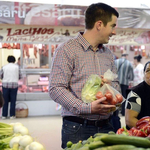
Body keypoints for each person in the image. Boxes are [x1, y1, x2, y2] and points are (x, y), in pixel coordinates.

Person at [49, 3, 120, 148]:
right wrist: (85, 107)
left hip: (107, 126)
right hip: (77, 128)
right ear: (99, 24)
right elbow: (56, 88)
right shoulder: (67, 50)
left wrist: (110, 91)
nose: (114, 32)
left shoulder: (108, 55)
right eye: (112, 26)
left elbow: (116, 85)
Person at [125, 61, 150, 129]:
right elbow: (129, 120)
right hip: (140, 136)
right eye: (148, 71)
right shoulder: (136, 92)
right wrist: (147, 130)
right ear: (144, 74)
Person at [115, 50, 134, 116]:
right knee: (124, 98)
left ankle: (116, 113)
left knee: (116, 97)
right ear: (126, 56)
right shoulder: (129, 63)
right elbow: (131, 76)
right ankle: (123, 112)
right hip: (125, 83)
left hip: (116, 83)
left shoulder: (116, 62)